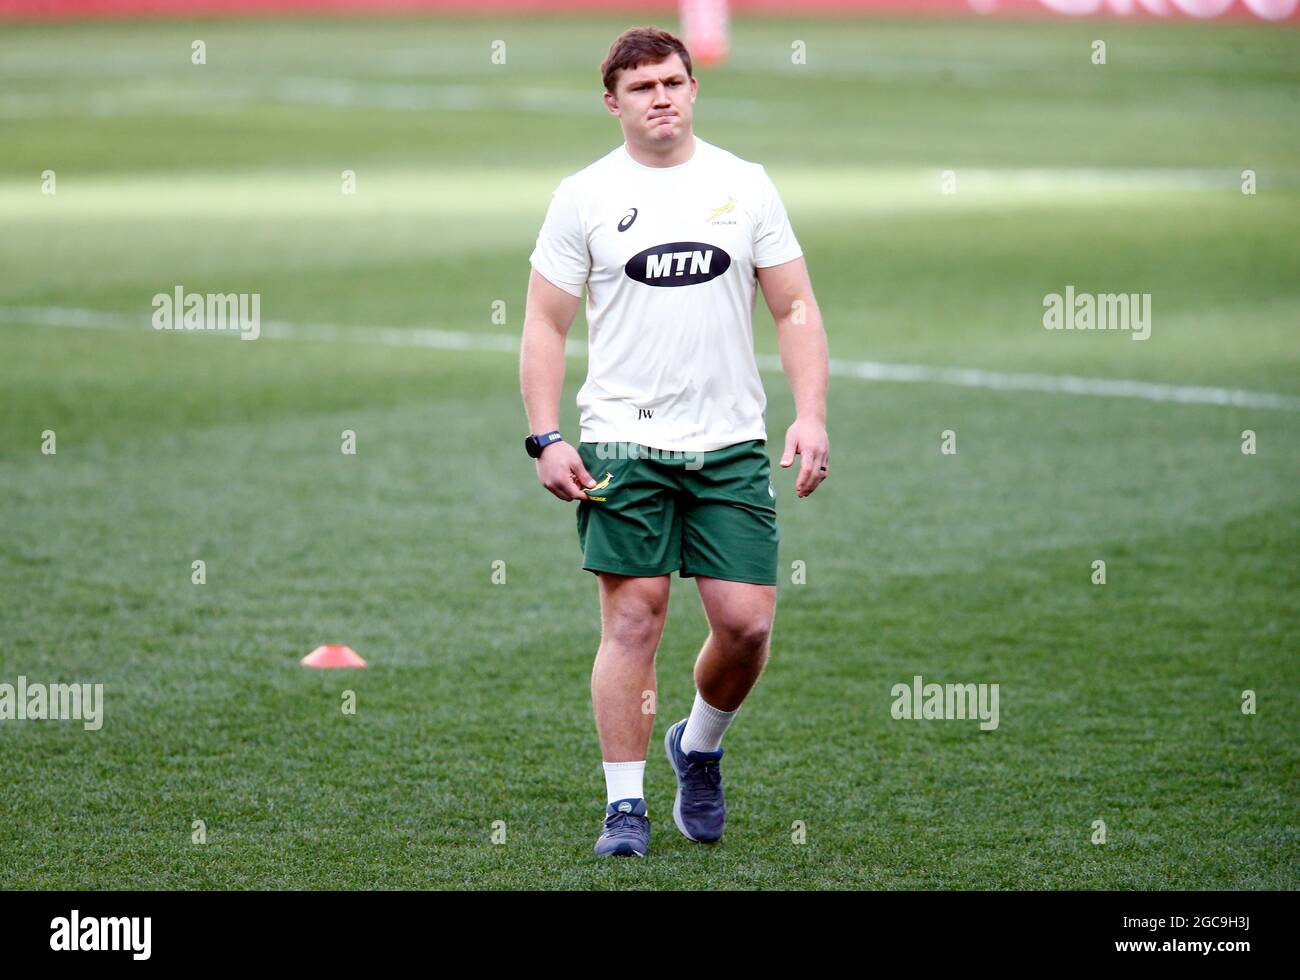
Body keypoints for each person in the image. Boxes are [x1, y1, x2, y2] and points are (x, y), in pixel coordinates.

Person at [519, 26, 829, 858]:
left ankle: (696, 747)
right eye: (643, 86)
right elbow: (546, 323)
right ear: (613, 102)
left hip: (730, 441)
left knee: (746, 626)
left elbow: (793, 306)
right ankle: (625, 807)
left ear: (694, 89)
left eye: (673, 82)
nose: (661, 97)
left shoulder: (745, 184)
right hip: (623, 442)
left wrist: (810, 412)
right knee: (633, 620)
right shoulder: (583, 196)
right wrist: (546, 436)